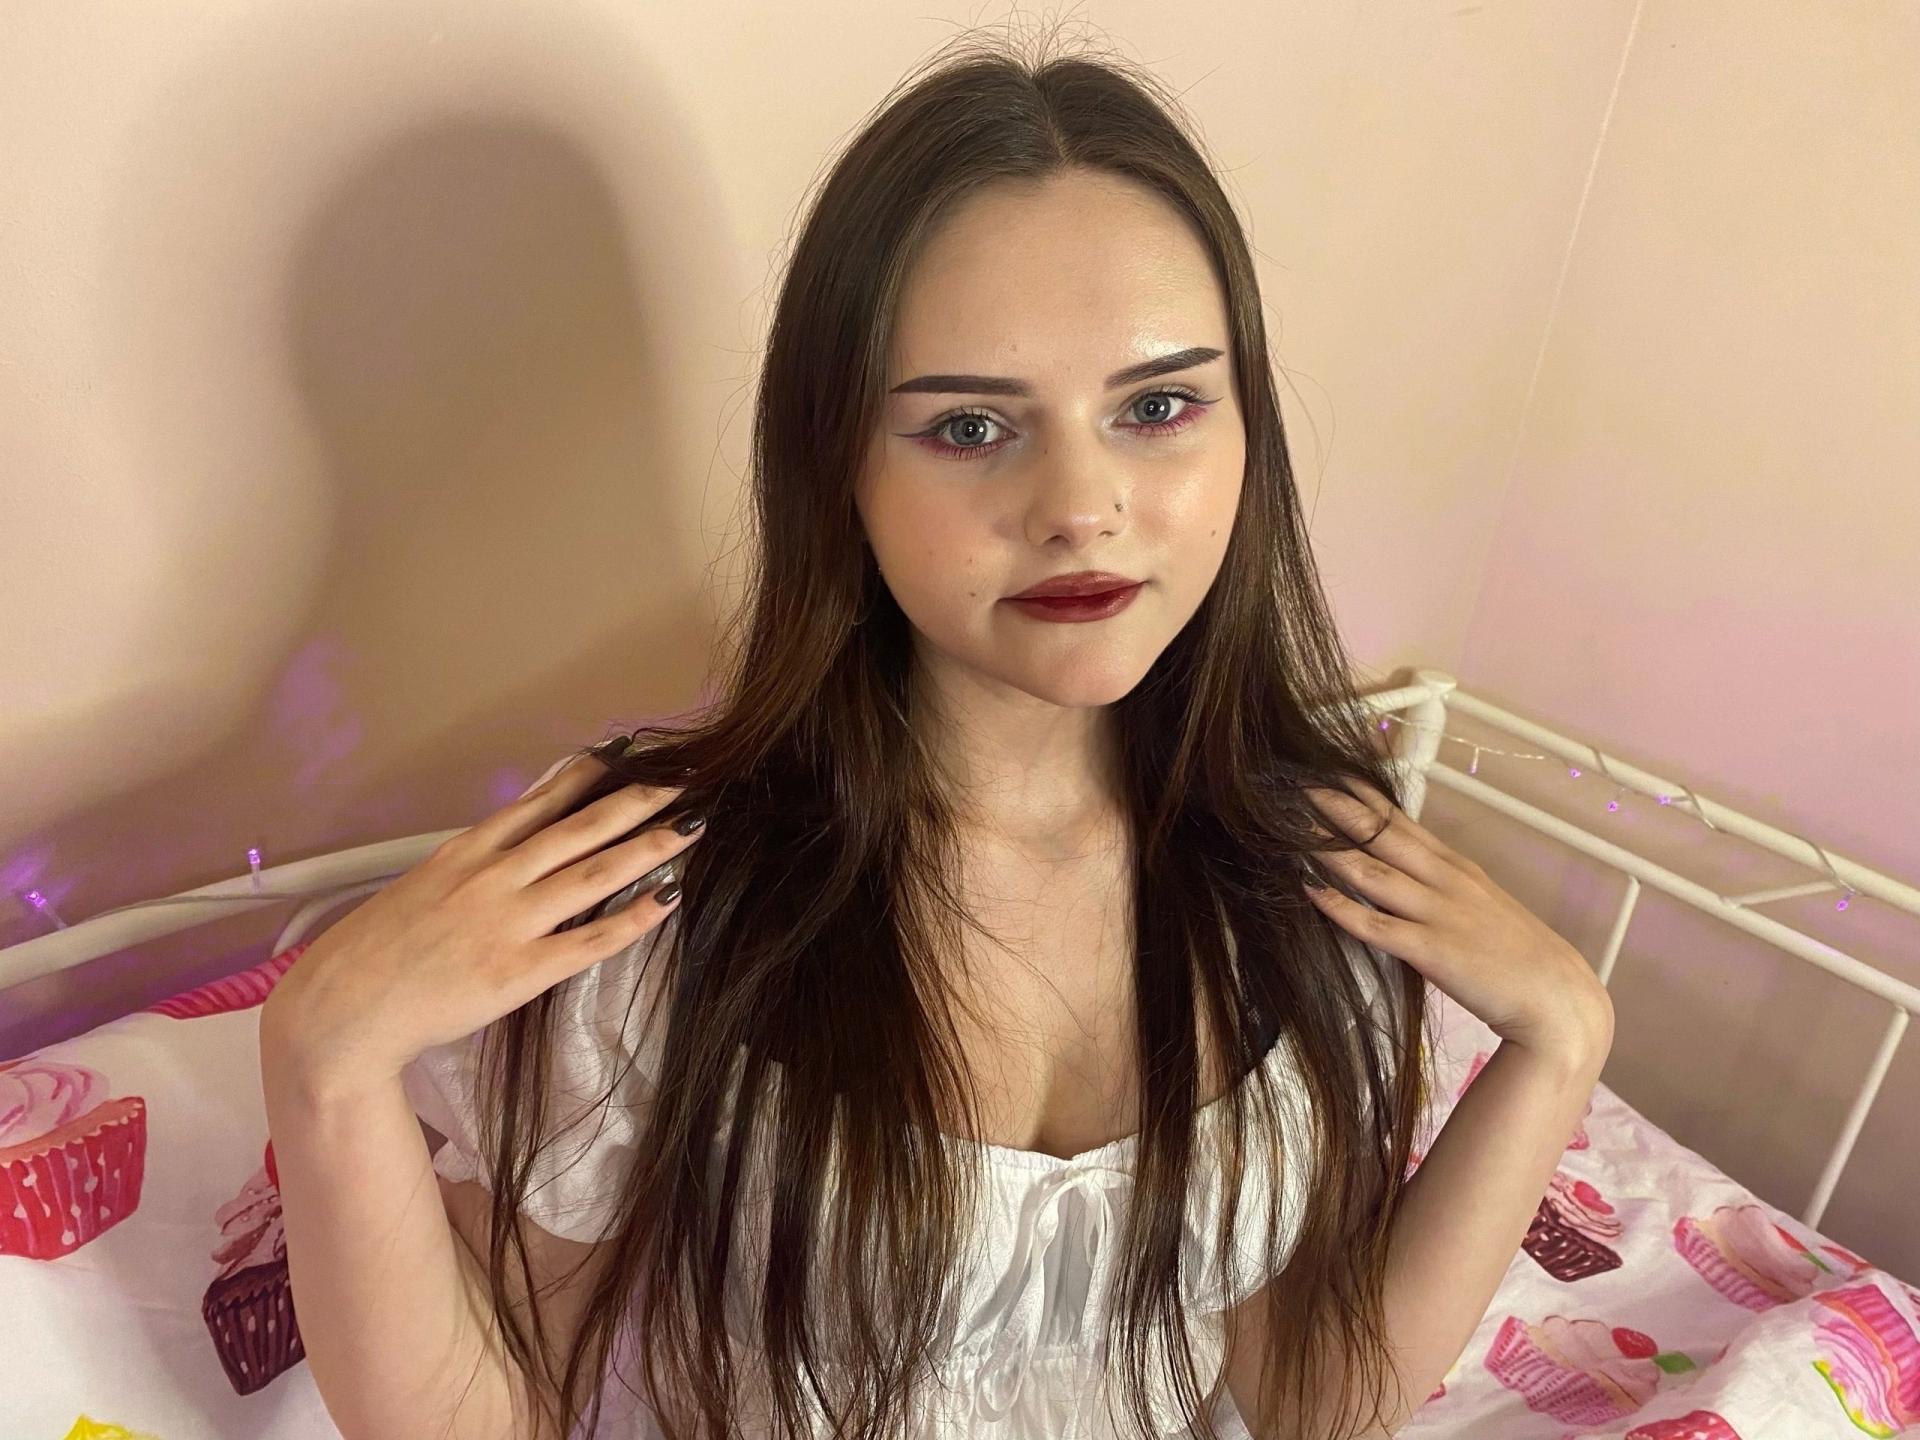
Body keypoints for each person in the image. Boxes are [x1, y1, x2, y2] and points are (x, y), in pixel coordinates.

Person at [258, 26, 1614, 1440]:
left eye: (1158, 406)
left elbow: (1314, 1404)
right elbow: (488, 1415)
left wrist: (1560, 1042)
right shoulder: (665, 895)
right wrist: (323, 1065)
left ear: (1245, 432)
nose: (1080, 508)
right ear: (837, 464)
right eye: (970, 428)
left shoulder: (1310, 875)